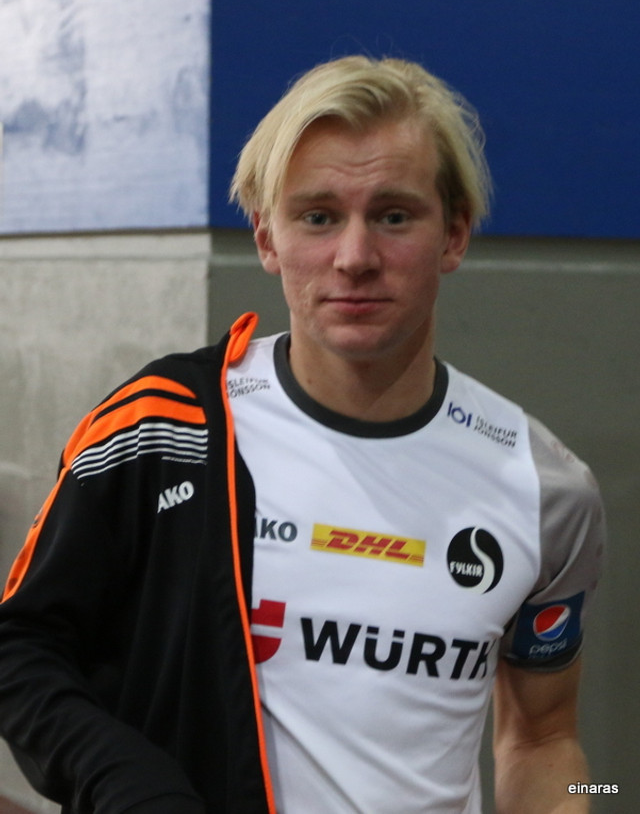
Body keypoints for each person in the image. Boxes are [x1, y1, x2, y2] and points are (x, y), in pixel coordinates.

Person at [0, 56, 605, 814]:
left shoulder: (547, 491)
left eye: (393, 216)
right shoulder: (163, 428)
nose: (354, 258)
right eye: (318, 217)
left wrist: (595, 795)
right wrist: (126, 782)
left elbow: (546, 741)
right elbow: (20, 649)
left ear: (453, 235)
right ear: (267, 237)